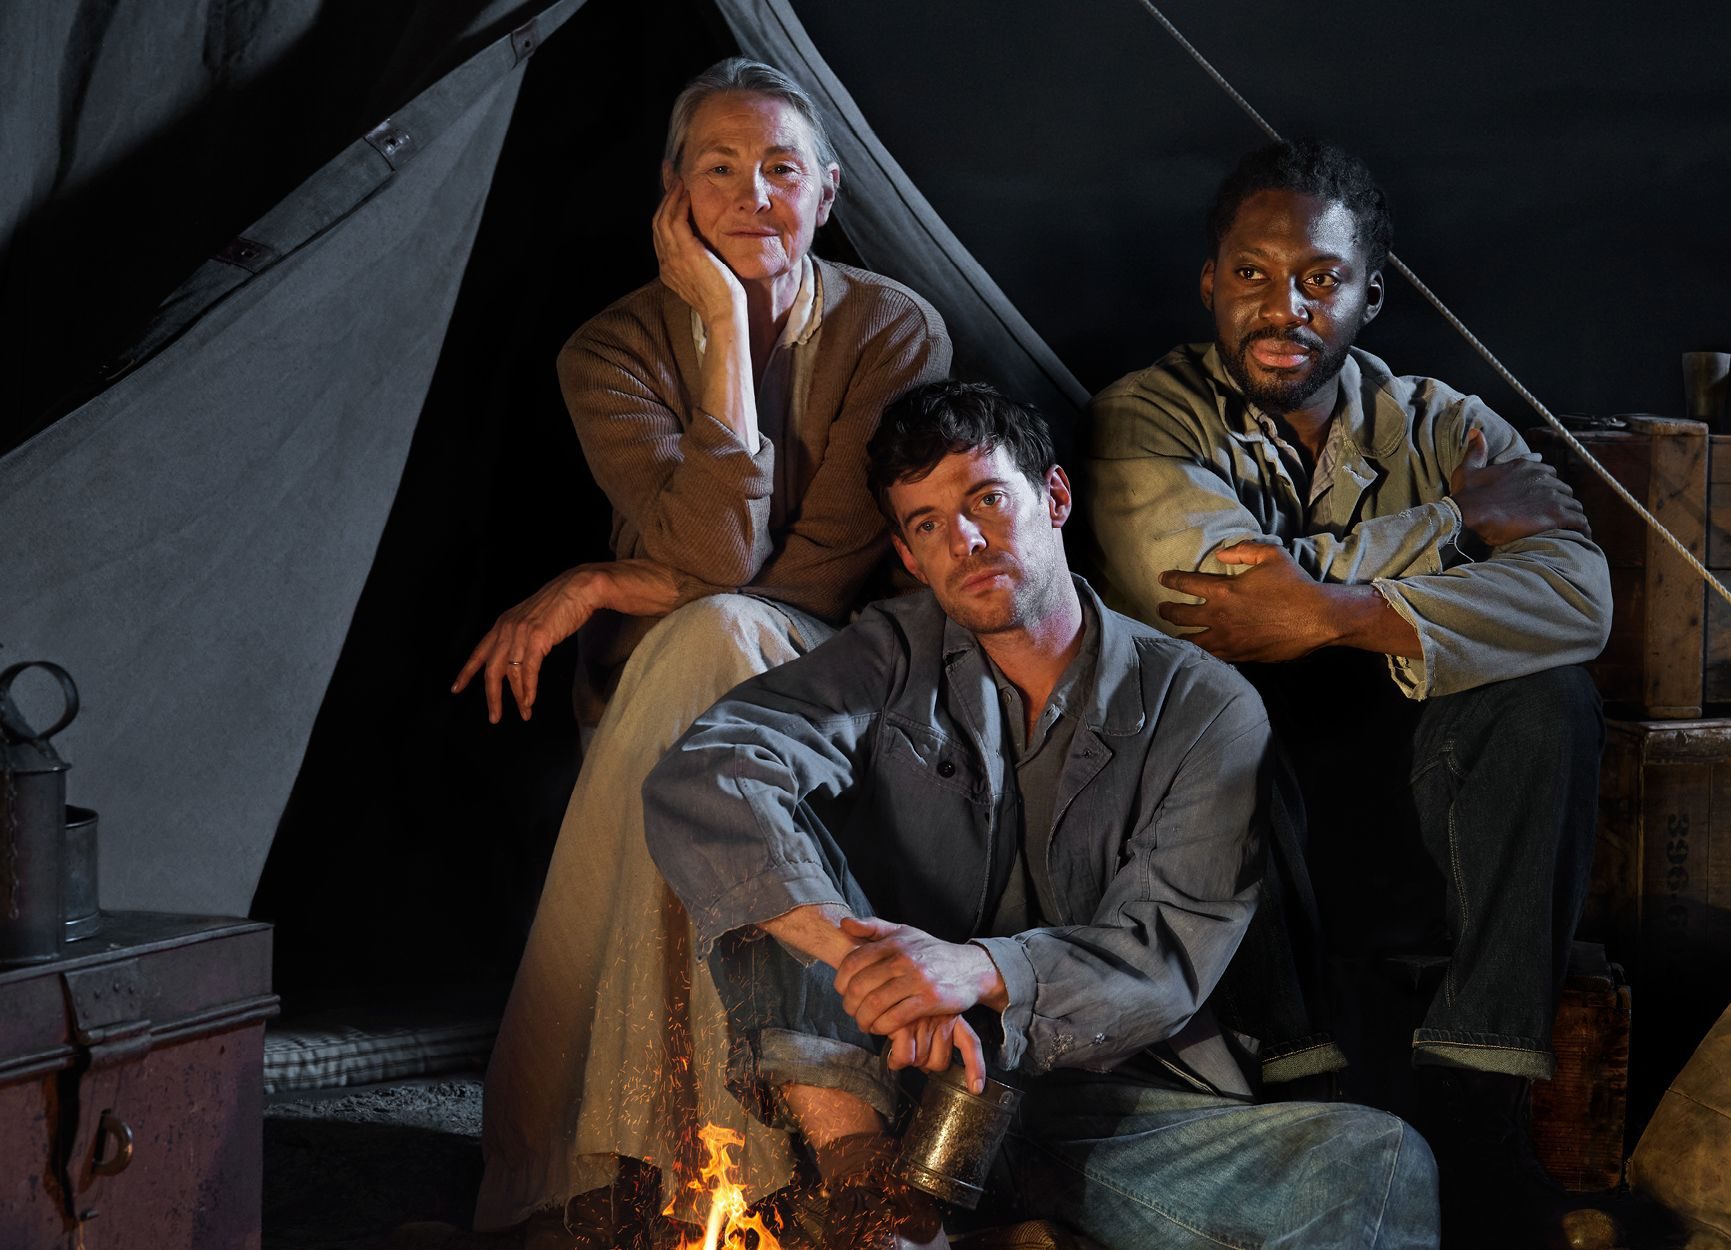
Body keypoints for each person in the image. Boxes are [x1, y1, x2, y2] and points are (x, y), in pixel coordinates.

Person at [643, 380, 1440, 1250]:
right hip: (888, 1101)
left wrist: (976, 971)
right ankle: (877, 1211)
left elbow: (1162, 954)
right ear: (910, 558)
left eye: (987, 499)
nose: (967, 541)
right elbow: (708, 777)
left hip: (1099, 1109)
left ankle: (991, 1226)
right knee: (763, 864)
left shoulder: (1205, 708)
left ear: (1053, 499)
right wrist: (883, 968)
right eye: (928, 525)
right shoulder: (886, 654)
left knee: (1377, 1161)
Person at [458, 58, 950, 1244]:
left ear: (827, 193)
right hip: (660, 681)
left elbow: (822, 567)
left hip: (839, 674)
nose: (753, 196)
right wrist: (726, 326)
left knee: (718, 626)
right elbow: (725, 551)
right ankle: (780, 1155)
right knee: (706, 636)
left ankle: (617, 1156)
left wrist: (595, 578)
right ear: (672, 195)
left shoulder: (893, 329)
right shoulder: (610, 350)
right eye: (718, 170)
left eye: (781, 170)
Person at [1084, 139, 1613, 1242]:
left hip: (1414, 788)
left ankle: (1477, 1098)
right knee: (1205, 693)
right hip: (1248, 806)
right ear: (1209, 283)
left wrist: (1335, 613)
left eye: (1319, 278)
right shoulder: (1150, 413)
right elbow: (1205, 591)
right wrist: (1459, 527)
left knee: (1548, 697)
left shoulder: (1441, 421)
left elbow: (1578, 592)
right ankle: (1297, 1066)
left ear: (1370, 293)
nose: (1282, 306)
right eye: (1251, 275)